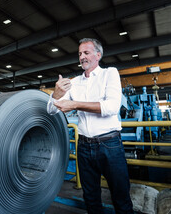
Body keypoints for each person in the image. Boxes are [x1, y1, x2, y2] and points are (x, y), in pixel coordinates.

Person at [47, 38, 134, 214]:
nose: (82, 57)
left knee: (121, 197)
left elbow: (111, 107)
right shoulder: (74, 82)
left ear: (98, 55)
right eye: (80, 54)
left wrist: (75, 104)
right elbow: (51, 110)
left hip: (110, 145)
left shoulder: (109, 73)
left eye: (86, 53)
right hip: (85, 146)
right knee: (91, 198)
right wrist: (55, 94)